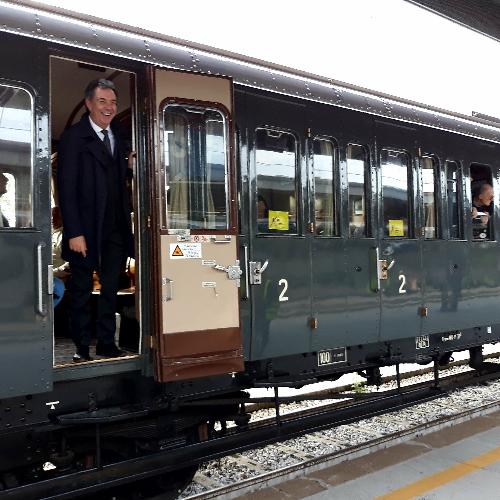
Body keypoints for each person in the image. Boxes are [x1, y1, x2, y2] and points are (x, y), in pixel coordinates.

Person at [57, 79, 134, 362]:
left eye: (113, 102)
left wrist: (128, 170)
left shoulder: (117, 135)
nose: (109, 107)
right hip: (85, 230)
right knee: (80, 291)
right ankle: (81, 348)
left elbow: (114, 182)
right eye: (102, 101)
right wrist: (74, 232)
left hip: (114, 227)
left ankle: (105, 344)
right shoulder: (74, 137)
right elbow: (66, 187)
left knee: (111, 288)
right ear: (89, 104)